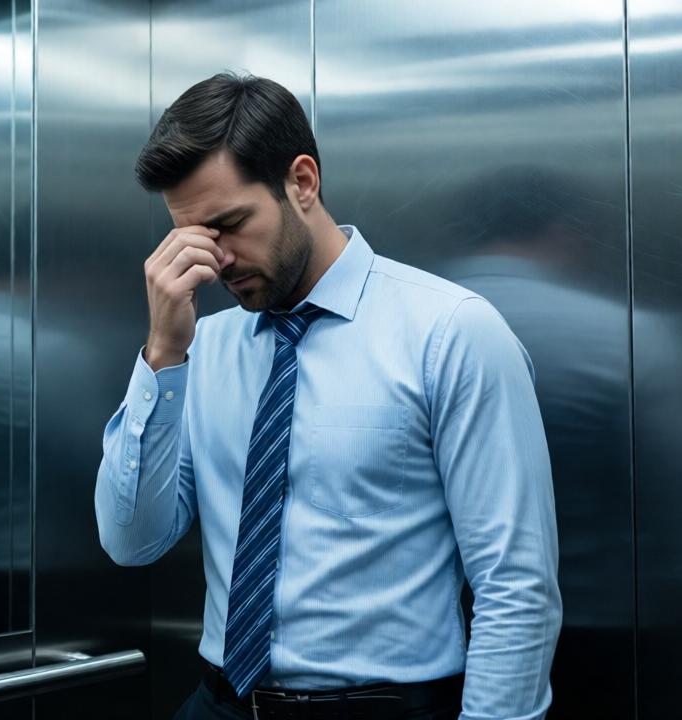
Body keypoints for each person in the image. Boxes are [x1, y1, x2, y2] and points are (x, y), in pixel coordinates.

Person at [95, 73, 561, 719]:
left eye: (230, 224)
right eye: (192, 236)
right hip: (219, 703)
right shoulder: (201, 350)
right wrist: (162, 356)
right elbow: (131, 540)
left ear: (302, 182)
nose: (217, 260)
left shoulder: (450, 331)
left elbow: (515, 583)